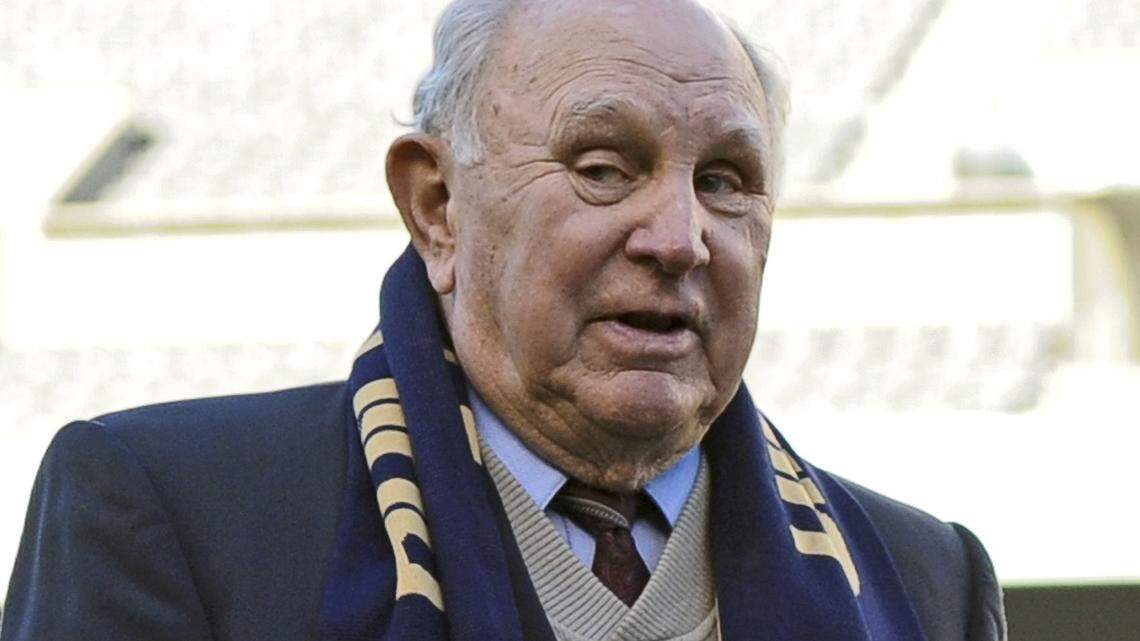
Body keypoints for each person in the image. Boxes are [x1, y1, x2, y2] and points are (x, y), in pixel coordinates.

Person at [1, 1, 1006, 640]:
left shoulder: (925, 584)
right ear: (437, 205)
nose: (681, 236)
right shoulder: (174, 516)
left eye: (726, 181)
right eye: (604, 168)